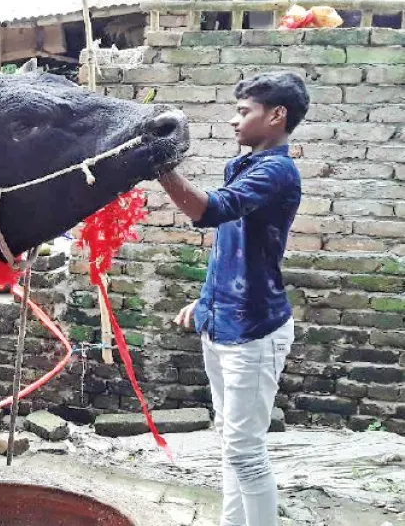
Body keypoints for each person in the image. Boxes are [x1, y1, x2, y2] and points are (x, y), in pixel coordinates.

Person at [157, 71, 310, 526]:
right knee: (230, 441)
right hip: (223, 321)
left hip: (254, 331)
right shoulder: (242, 166)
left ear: (277, 115)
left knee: (245, 452)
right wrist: (205, 301)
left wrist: (160, 164)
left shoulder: (277, 170)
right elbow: (231, 246)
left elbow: (213, 211)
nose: (232, 120)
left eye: (244, 111)